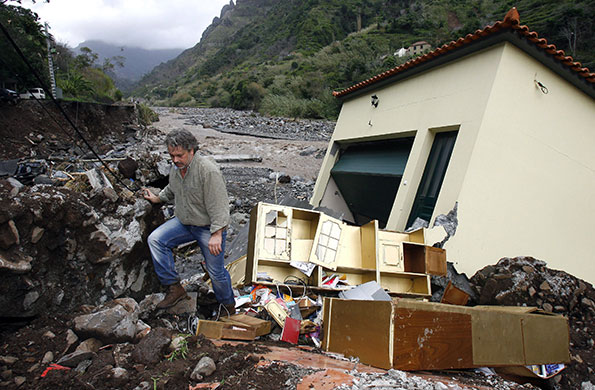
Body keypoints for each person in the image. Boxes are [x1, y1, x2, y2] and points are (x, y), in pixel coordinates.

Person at [143, 129, 235, 312]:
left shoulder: (208, 171)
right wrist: (158, 198)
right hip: (184, 223)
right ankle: (174, 288)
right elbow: (172, 188)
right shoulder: (177, 168)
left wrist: (217, 233)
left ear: (192, 150)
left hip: (208, 228)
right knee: (155, 240)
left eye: (180, 155)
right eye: (172, 156)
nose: (175, 160)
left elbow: (220, 204)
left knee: (216, 273)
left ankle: (228, 306)